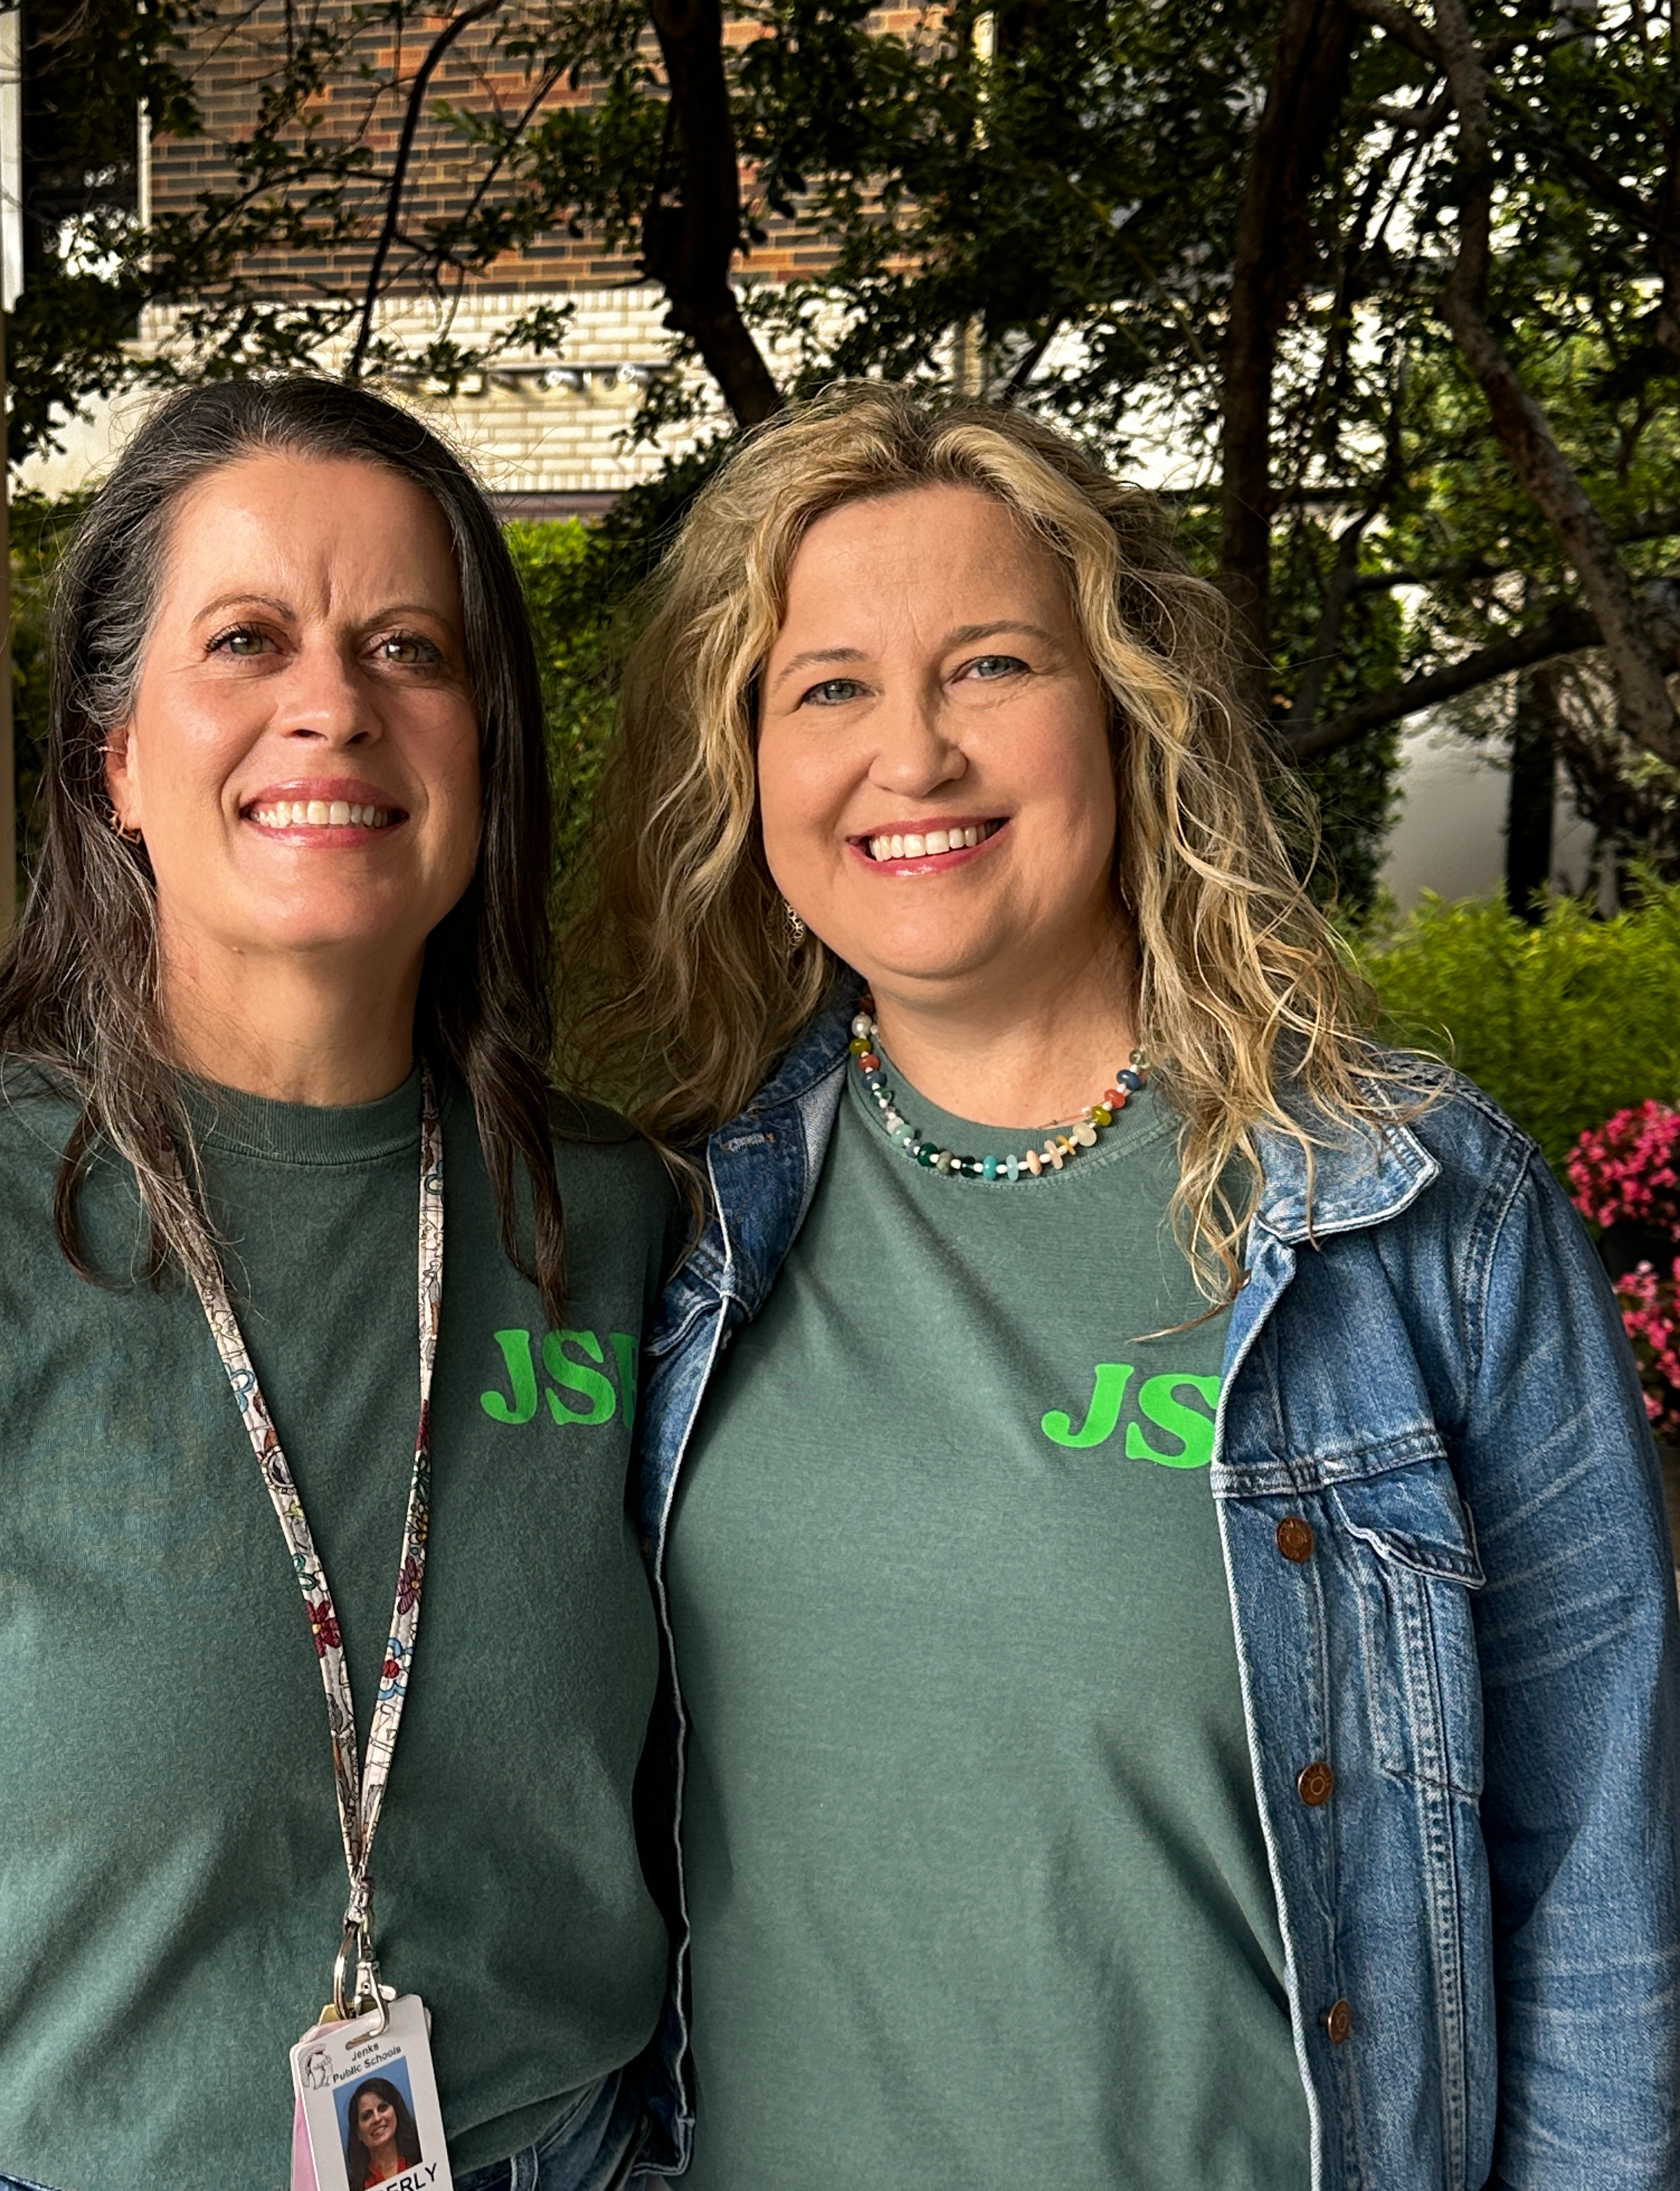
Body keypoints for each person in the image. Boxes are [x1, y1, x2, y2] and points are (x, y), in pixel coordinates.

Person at [572, 384, 1680, 2187]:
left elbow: (1606, 1873)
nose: (911, 756)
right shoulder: (671, 1231)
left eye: (992, 666)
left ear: (1128, 711)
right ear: (747, 765)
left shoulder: (1408, 1215)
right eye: (827, 686)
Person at [0, 377, 672, 2191]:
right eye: (246, 639)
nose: (330, 705)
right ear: (113, 753)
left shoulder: (621, 1222)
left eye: (406, 647)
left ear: (484, 748)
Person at [346, 2077, 425, 2188]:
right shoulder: (354, 2187)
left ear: (396, 2112)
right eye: (367, 2116)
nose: (377, 2118)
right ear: (358, 2132)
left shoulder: (424, 2155)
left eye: (382, 2108)